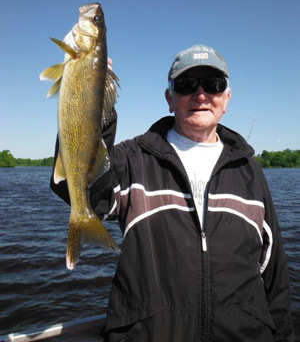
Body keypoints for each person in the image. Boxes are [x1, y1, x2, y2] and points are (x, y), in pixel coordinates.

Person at [51, 44, 294, 341]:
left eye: (214, 85)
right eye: (186, 84)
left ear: (226, 98)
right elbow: (81, 189)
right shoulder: (133, 158)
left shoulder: (248, 169)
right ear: (169, 98)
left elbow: (275, 274)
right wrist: (92, 101)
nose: (201, 95)